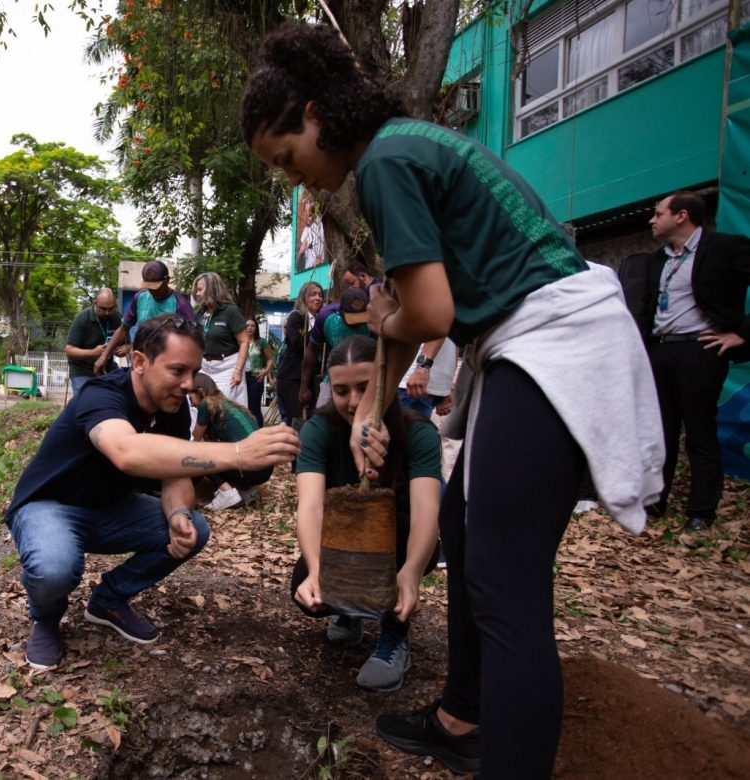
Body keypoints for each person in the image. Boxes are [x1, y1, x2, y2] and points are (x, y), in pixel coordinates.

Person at [242, 23, 663, 778]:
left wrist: (384, 322)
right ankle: (462, 716)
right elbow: (404, 322)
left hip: (553, 346)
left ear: (314, 114)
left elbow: (427, 313)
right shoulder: (405, 145)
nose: (300, 180)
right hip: (526, 346)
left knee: (505, 590)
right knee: (466, 531)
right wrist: (370, 410)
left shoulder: (385, 164)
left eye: (289, 158)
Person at [6, 314, 301, 670]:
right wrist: (238, 453)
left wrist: (177, 514)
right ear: (140, 362)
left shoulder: (170, 409)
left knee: (196, 527)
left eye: (194, 372)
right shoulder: (101, 395)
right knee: (55, 567)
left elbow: (175, 473)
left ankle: (109, 599)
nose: (188, 384)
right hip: (50, 505)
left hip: (111, 508)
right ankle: (46, 618)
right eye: (178, 371)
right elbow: (127, 452)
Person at [291, 336, 439, 692]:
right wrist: (316, 570)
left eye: (364, 388)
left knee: (399, 532)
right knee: (304, 589)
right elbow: (310, 506)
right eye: (342, 391)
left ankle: (394, 635)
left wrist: (412, 572)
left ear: (384, 384)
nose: (354, 402)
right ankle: (350, 609)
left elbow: (427, 509)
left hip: (400, 540)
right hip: (343, 540)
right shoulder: (319, 430)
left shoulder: (417, 432)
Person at [618, 191, 750, 532]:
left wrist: (741, 335)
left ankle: (701, 512)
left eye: (658, 213)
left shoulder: (724, 248)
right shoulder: (656, 261)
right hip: (661, 350)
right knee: (659, 430)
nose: (651, 219)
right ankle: (655, 501)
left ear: (682, 216)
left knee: (699, 432)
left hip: (700, 351)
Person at [94, 261, 195, 374]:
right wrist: (104, 355)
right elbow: (123, 329)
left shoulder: (181, 305)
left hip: (167, 367)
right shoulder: (140, 297)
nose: (152, 290)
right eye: (149, 286)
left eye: (156, 287)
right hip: (141, 363)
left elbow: (192, 341)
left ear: (167, 280)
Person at [189, 372, 272, 510]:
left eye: (190, 396)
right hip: (266, 469)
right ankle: (245, 491)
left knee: (198, 454)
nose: (191, 402)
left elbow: (195, 441)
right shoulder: (229, 405)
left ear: (200, 392)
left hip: (249, 469)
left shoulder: (206, 404)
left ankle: (226, 492)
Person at [300, 262, 372, 411]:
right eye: (352, 320)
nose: (356, 325)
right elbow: (312, 351)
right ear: (341, 312)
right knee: (321, 416)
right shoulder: (327, 317)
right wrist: (304, 386)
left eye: (360, 319)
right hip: (333, 376)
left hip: (367, 378)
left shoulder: (374, 320)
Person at [192, 271, 250, 407]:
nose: (197, 294)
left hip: (227, 368)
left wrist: (238, 371)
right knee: (201, 407)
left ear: (212, 289)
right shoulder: (200, 313)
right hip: (205, 367)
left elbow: (244, 341)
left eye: (200, 290)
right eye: (196, 291)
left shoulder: (231, 311)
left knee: (227, 409)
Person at [276, 281, 324, 425]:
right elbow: (298, 343)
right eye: (313, 294)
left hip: (311, 377)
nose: (318, 298)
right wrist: (318, 327)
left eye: (320, 295)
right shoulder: (296, 317)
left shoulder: (320, 319)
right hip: (292, 376)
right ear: (304, 297)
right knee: (295, 420)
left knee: (311, 418)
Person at [65, 287, 124, 396]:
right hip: (82, 369)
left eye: (111, 308)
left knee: (121, 394)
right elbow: (69, 351)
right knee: (87, 401)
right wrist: (94, 352)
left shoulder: (117, 317)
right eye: (103, 308)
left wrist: (124, 349)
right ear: (94, 303)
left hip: (108, 368)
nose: (107, 312)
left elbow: (128, 343)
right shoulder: (82, 318)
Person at [397, 339, 458, 418]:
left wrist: (422, 367)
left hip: (412, 381)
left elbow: (437, 328)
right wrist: (447, 386)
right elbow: (457, 337)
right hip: (424, 379)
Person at [243, 317, 274, 426]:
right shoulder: (240, 342)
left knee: (254, 408)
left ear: (256, 328)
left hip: (256, 378)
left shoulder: (262, 342)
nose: (250, 328)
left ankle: (259, 430)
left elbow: (270, 359)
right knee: (243, 406)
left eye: (252, 325)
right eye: (247, 325)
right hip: (242, 378)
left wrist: (265, 371)